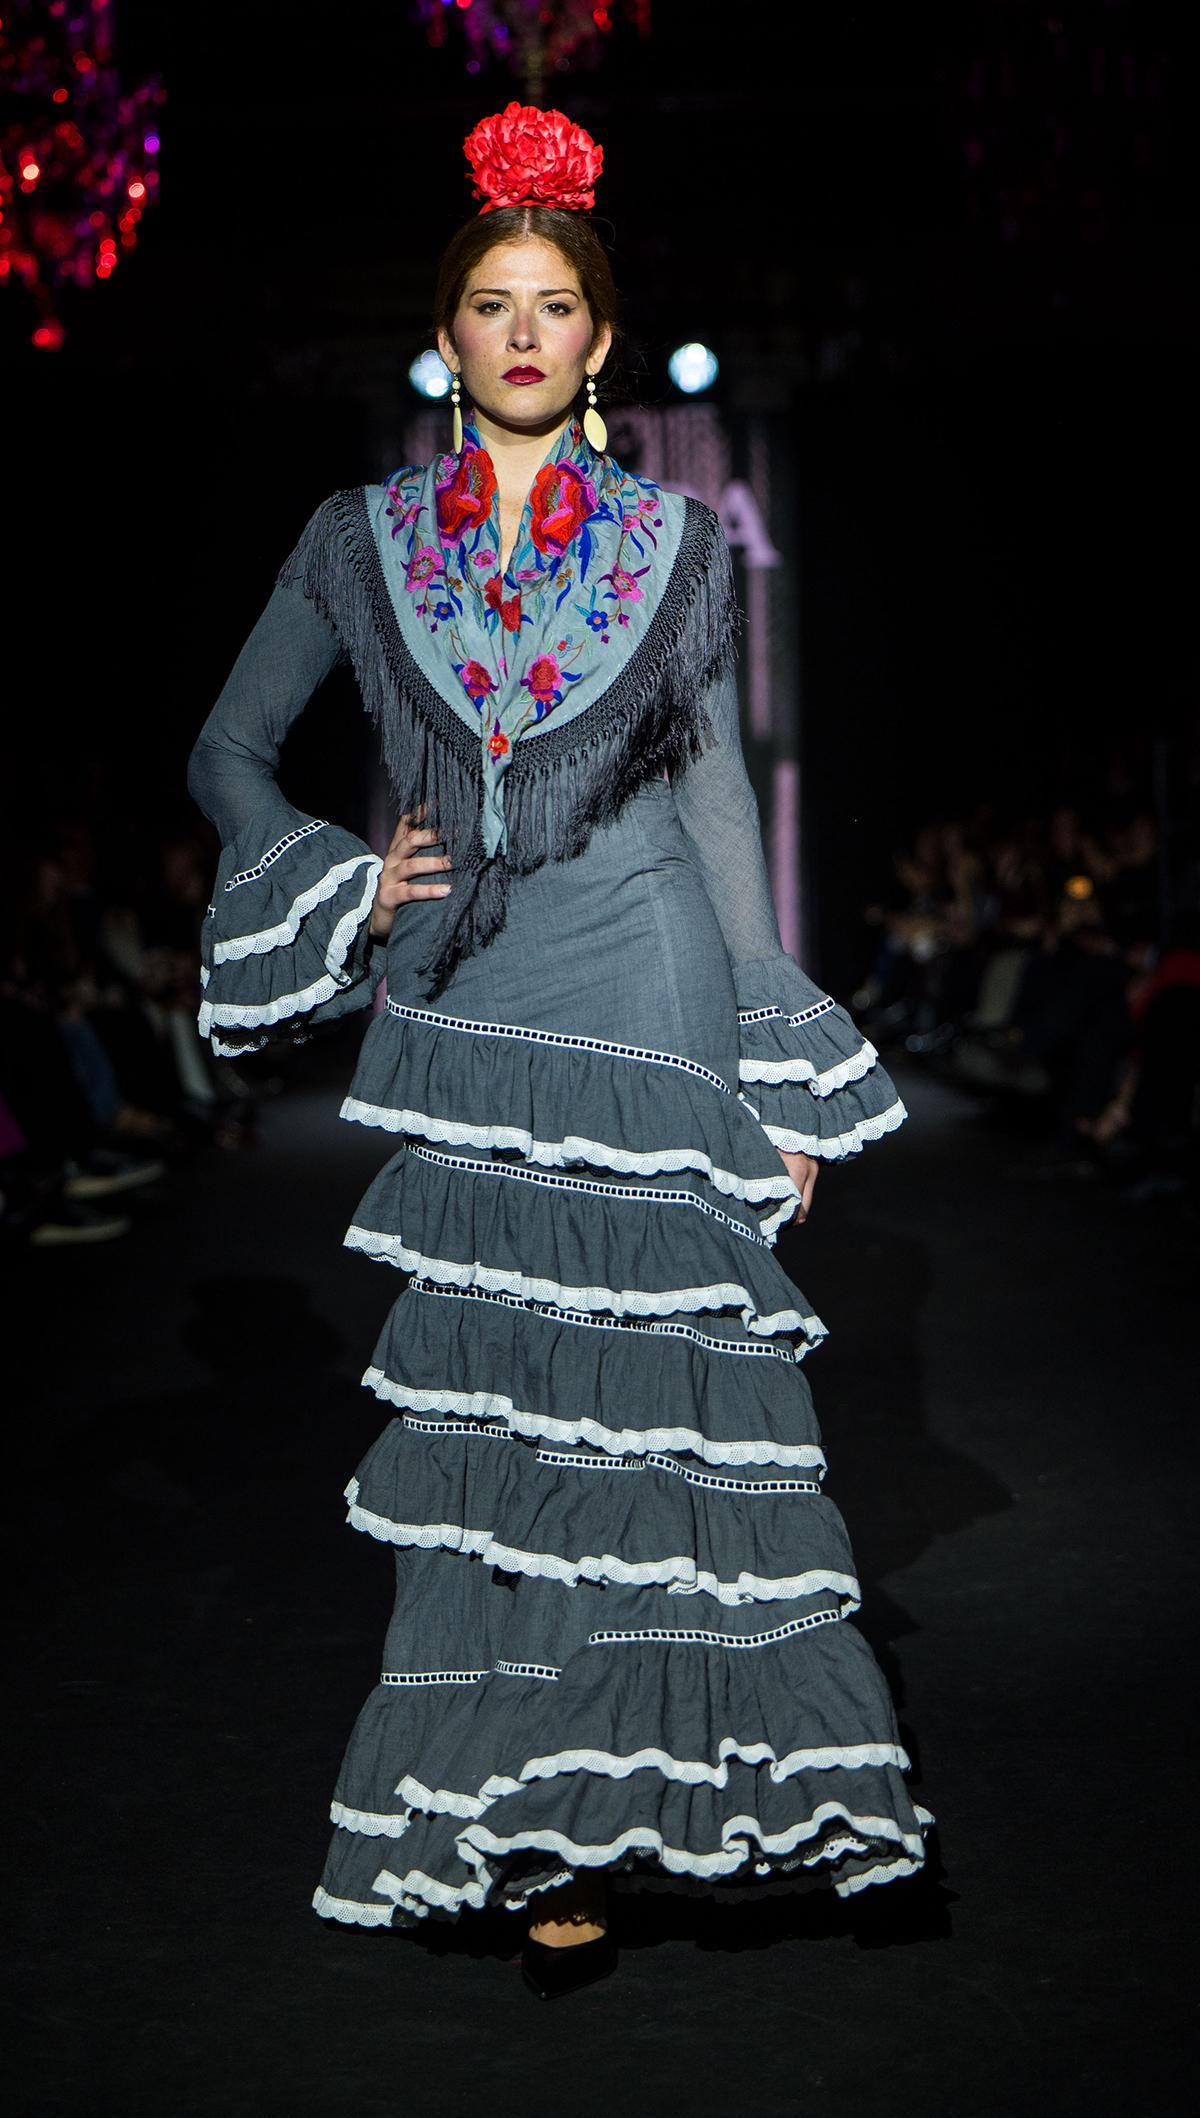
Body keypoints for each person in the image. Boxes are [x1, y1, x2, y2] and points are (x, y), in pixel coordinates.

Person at [187, 102, 933, 2000]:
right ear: (450, 337)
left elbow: (715, 811)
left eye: (558, 305)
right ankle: (535, 1827)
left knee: (670, 1419)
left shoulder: (678, 543)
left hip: (663, 985)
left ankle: (693, 1804)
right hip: (475, 1005)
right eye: (492, 304)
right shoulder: (360, 541)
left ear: (602, 340)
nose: (525, 332)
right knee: (516, 1426)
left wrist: (771, 1063)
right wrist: (347, 880)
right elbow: (226, 750)